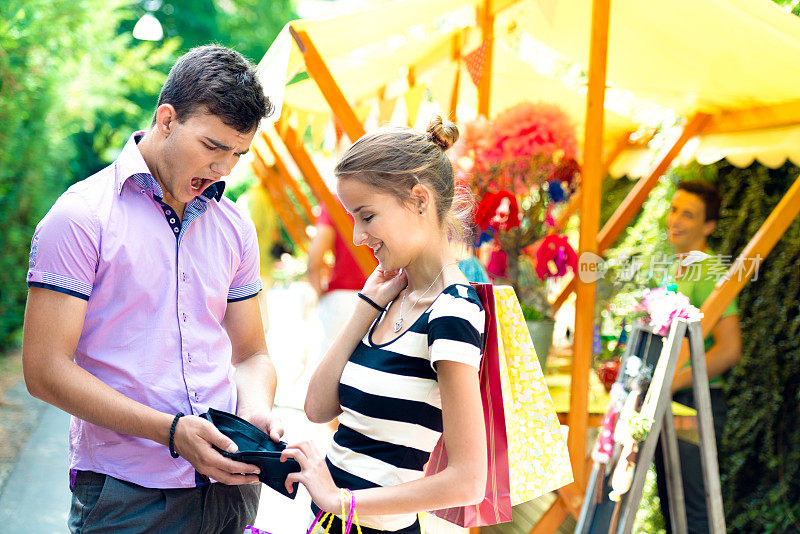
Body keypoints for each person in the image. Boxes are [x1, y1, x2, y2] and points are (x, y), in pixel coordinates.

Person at [22, 45, 281, 533]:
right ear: (167, 119)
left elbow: (251, 354)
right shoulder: (81, 217)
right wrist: (171, 433)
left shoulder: (235, 223)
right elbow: (43, 370)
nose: (225, 169)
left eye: (238, 154)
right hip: (126, 497)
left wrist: (255, 418)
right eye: (212, 146)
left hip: (230, 491)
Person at [281, 117, 488, 533]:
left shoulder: (452, 311)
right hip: (330, 522)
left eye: (367, 216)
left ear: (419, 200)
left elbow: (468, 482)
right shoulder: (391, 295)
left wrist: (342, 501)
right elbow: (318, 408)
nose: (358, 235)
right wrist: (364, 308)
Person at [654, 180, 742, 534]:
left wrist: (672, 383)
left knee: (694, 515)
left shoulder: (710, 273)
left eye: (688, 214)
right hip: (673, 403)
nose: (675, 219)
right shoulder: (677, 269)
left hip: (696, 405)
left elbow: (730, 348)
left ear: (709, 227)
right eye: (674, 209)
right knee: (674, 511)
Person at [307, 202, 368, 356]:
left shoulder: (333, 202)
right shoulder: (383, 195)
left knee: (329, 364)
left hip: (341, 298)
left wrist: (320, 293)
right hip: (384, 297)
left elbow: (314, 261)